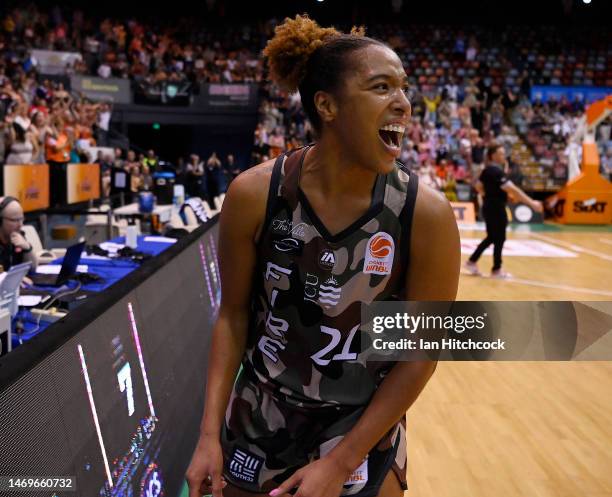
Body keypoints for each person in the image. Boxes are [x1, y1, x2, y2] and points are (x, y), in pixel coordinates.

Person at [186, 15, 460, 497]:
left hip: (361, 428)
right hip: (259, 416)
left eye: (403, 88)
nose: (403, 103)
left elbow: (421, 353)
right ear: (327, 105)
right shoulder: (255, 193)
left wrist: (341, 462)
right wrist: (208, 435)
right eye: (381, 87)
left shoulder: (426, 214)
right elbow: (232, 315)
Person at [464, 144, 543, 278]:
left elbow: (478, 186)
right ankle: (496, 270)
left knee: (492, 237)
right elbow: (513, 189)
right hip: (496, 208)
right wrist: (532, 203)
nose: (503, 155)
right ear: (493, 155)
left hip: (489, 206)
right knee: (499, 238)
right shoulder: (496, 172)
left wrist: (488, 195)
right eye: (500, 153)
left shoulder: (487, 170)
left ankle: (472, 262)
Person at [0, 196, 37, 271]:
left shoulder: (19, 235)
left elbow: (33, 268)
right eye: (15, 220)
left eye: (21, 219)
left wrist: (27, 248)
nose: (20, 225)